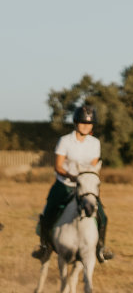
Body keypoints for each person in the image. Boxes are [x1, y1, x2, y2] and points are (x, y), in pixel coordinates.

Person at [33, 103, 112, 262]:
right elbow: (58, 166)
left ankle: (100, 248)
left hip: (84, 187)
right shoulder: (65, 141)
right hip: (64, 184)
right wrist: (72, 176)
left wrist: (84, 180)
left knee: (102, 216)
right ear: (76, 123)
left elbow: (93, 166)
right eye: (83, 123)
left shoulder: (95, 143)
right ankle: (44, 247)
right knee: (48, 212)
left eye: (89, 123)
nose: (85, 126)